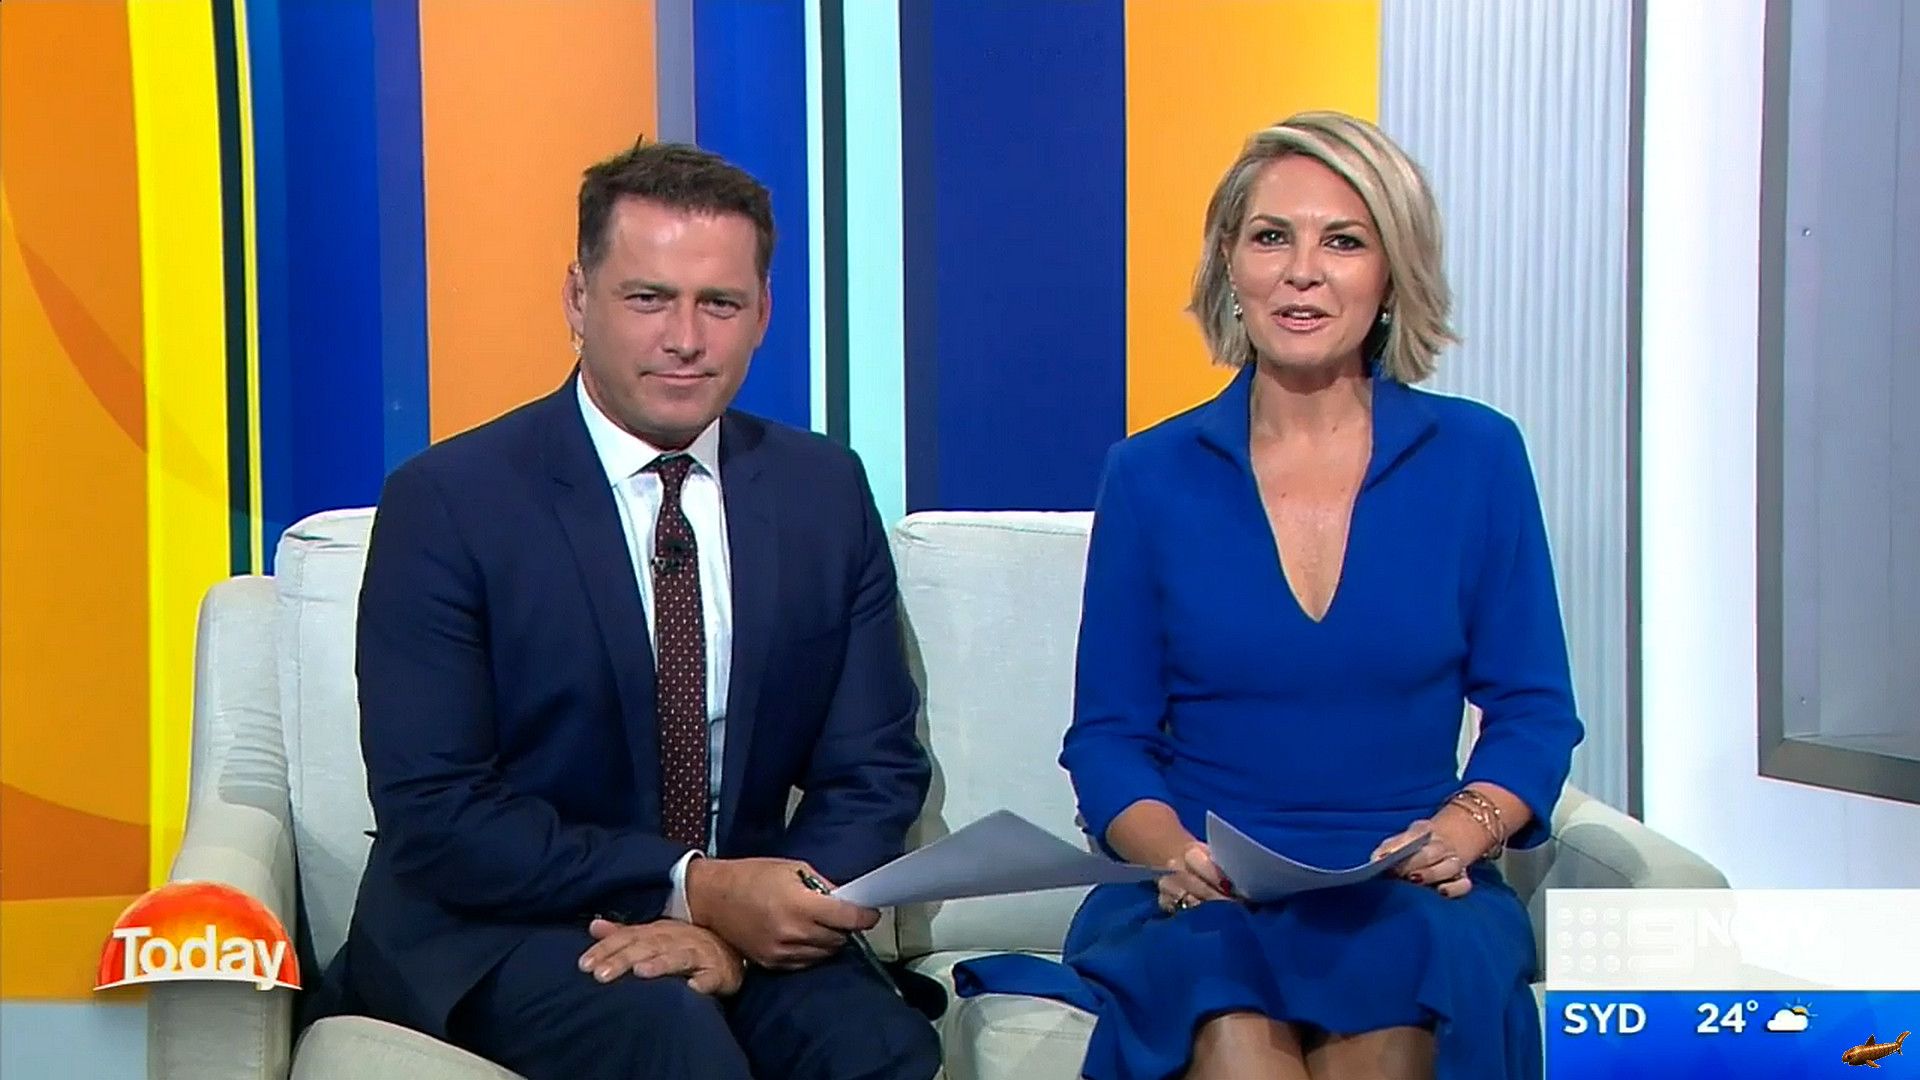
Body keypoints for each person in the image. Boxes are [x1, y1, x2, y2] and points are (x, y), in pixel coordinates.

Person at [333, 139, 942, 1080]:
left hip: (743, 918)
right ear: (579, 300)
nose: (685, 338)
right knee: (668, 1040)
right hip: (504, 923)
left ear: (763, 312)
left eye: (720, 304)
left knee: (880, 1048)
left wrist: (752, 918)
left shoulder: (821, 489)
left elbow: (874, 766)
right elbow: (438, 809)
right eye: (649, 298)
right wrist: (691, 888)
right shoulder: (450, 501)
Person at [1056, 112, 1584, 1079]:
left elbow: (1535, 710)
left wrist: (1464, 829)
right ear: (1230, 263)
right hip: (1206, 893)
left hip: (1409, 885)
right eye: (1272, 237)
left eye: (1343, 241)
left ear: (1392, 274)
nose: (1303, 272)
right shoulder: (1150, 475)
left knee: (1403, 1006)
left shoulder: (1477, 458)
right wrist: (1170, 853)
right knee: (1223, 1018)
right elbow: (1107, 738)